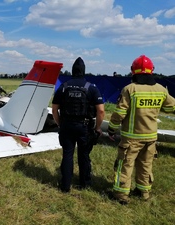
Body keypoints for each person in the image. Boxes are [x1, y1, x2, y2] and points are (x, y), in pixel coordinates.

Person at [107, 55, 175, 204]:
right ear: (152, 70)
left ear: (133, 71)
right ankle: (143, 192)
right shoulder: (161, 90)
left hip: (131, 138)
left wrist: (111, 128)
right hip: (151, 138)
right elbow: (172, 106)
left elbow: (120, 113)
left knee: (125, 165)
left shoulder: (130, 89)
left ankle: (121, 195)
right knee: (145, 165)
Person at [52, 57, 105, 192]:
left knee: (67, 154)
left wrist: (60, 124)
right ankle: (85, 184)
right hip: (84, 127)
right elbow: (101, 111)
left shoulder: (63, 87)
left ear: (72, 71)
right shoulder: (91, 88)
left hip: (67, 126)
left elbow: (54, 109)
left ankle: (65, 186)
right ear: (84, 71)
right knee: (84, 155)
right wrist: (97, 127)